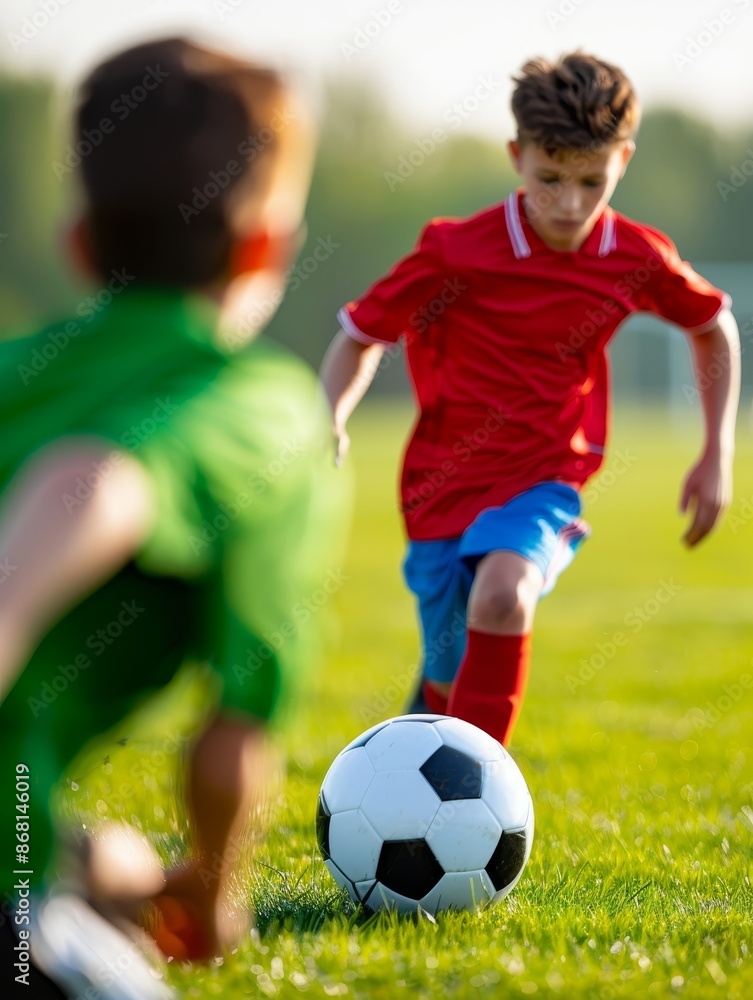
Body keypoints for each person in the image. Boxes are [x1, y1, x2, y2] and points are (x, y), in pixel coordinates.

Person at [0, 36, 340, 999]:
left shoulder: (17, 370)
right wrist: (218, 892)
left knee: (77, 856)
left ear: (79, 243)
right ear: (265, 246)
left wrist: (147, 878)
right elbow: (88, 483)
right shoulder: (258, 409)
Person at [320, 52, 740, 749]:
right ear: (516, 156)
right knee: (448, 676)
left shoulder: (633, 255)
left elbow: (711, 325)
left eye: (590, 181)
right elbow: (360, 335)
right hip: (439, 488)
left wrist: (714, 451)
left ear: (622, 162)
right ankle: (421, 737)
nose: (569, 204)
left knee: (503, 593)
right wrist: (329, 416)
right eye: (549, 179)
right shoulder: (456, 252)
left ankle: (476, 792)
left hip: (543, 479)